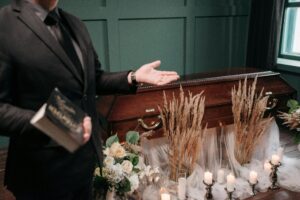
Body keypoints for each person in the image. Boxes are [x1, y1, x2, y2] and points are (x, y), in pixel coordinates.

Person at [0, 0, 179, 199]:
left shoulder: (75, 24)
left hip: (84, 164)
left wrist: (133, 77)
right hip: (40, 174)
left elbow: (96, 78)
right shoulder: (4, 23)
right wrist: (57, 122)